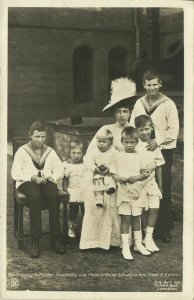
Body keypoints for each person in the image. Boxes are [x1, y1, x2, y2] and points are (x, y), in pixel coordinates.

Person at [79, 77, 137, 250]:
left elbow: (137, 155)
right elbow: (89, 154)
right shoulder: (105, 130)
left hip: (121, 175)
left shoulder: (132, 132)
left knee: (115, 194)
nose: (121, 115)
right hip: (100, 173)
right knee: (94, 194)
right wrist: (95, 168)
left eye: (125, 111)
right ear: (113, 113)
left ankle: (117, 240)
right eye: (118, 111)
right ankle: (95, 240)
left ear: (130, 113)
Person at [130, 69, 179, 242]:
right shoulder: (139, 104)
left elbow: (174, 130)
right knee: (143, 188)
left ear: (160, 84)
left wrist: (157, 141)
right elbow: (132, 126)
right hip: (143, 151)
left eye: (155, 84)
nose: (152, 88)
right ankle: (146, 228)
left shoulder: (168, 104)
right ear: (144, 85)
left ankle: (164, 228)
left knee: (161, 188)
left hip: (162, 150)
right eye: (148, 85)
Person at [11, 121, 65, 258]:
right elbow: (15, 173)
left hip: (46, 181)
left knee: (53, 195)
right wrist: (33, 177)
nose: (40, 140)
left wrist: (52, 178)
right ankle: (35, 240)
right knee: (36, 198)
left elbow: (59, 169)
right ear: (30, 135)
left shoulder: (50, 151)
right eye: (36, 137)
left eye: (42, 137)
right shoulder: (22, 151)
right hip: (27, 181)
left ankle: (55, 237)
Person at [111, 126, 151, 260]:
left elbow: (145, 173)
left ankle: (138, 244)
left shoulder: (140, 156)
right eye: (126, 142)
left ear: (136, 142)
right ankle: (126, 245)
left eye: (132, 142)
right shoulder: (118, 156)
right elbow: (113, 173)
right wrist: (119, 178)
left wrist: (137, 177)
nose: (129, 145)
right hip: (123, 191)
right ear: (122, 142)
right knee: (126, 218)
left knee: (136, 218)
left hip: (137, 191)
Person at [134, 115, 165, 252]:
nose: (145, 132)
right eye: (141, 130)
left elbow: (158, 165)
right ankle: (139, 240)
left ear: (151, 128)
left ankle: (149, 237)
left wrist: (160, 185)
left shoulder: (153, 145)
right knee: (141, 210)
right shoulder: (134, 145)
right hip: (138, 184)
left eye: (147, 129)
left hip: (151, 183)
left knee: (155, 207)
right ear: (136, 131)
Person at [82, 128, 117, 208]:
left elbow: (116, 163)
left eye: (104, 142)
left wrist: (110, 169)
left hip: (109, 173)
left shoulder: (114, 152)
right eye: (99, 141)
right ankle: (99, 198)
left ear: (110, 143)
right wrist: (94, 168)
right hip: (98, 172)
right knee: (97, 181)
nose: (101, 144)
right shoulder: (94, 151)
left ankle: (111, 188)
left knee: (111, 179)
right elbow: (88, 161)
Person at [62, 138, 86, 238]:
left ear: (83, 153)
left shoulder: (86, 165)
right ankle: (71, 227)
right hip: (72, 190)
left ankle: (85, 229)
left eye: (79, 153)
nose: (76, 155)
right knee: (73, 210)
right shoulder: (67, 165)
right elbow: (65, 180)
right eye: (74, 153)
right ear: (70, 153)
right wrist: (65, 191)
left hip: (84, 191)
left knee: (86, 210)